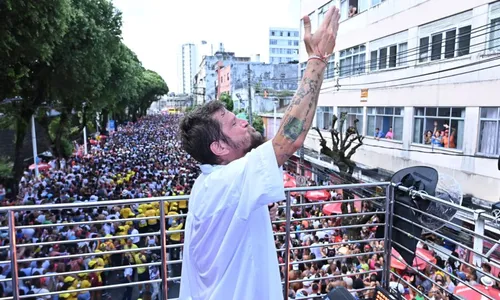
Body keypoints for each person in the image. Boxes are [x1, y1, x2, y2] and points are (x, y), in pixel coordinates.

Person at [178, 6, 340, 300]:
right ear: (219, 148)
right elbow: (289, 140)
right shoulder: (225, 182)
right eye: (232, 122)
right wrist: (317, 59)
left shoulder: (213, 184)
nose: (243, 120)